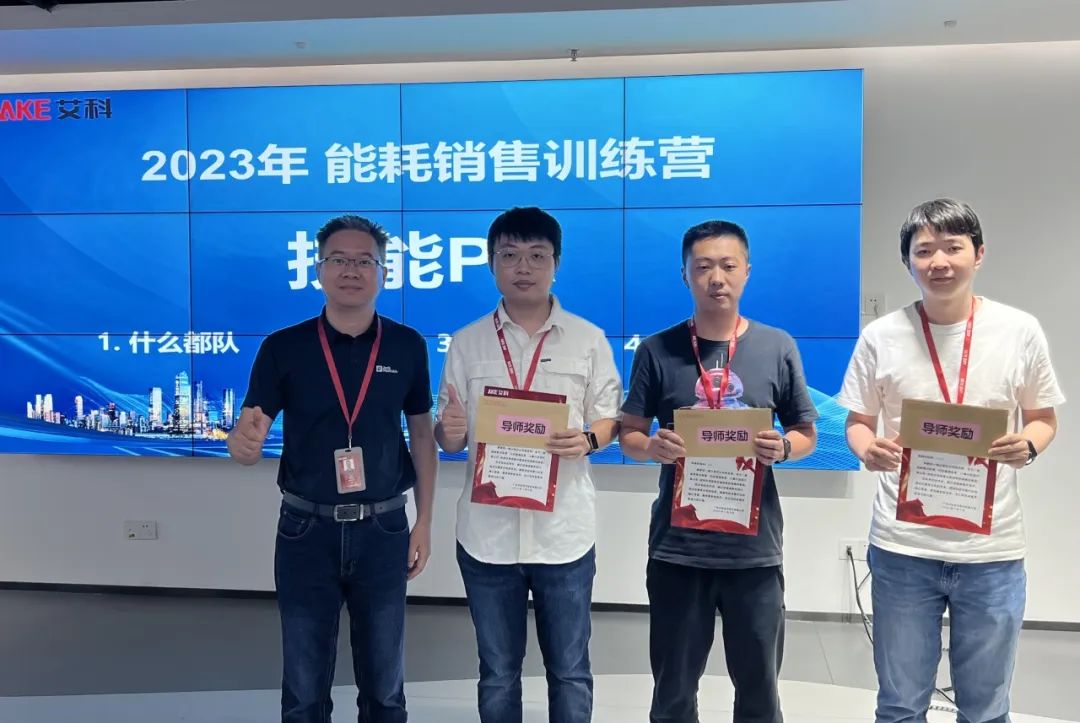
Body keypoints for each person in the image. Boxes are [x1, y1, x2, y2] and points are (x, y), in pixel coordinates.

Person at [837, 198, 1064, 722]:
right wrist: (867, 448)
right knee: (899, 704)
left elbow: (1043, 418)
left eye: (952, 247)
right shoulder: (881, 336)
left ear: (978, 254)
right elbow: (857, 421)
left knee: (986, 708)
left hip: (992, 552)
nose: (938, 261)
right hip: (902, 548)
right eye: (924, 251)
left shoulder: (1019, 330)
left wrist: (1028, 445)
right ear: (908, 262)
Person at [228, 214, 438, 723]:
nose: (351, 270)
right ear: (318, 269)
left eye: (365, 261)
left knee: (385, 690)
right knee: (304, 692)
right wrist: (243, 445)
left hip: (384, 526)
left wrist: (425, 522)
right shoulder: (284, 347)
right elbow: (248, 436)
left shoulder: (407, 345)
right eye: (338, 259)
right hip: (305, 529)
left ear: (383, 272)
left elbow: (422, 435)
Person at [619, 219, 818, 723]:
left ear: (747, 271)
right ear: (684, 274)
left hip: (754, 552)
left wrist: (784, 447)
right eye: (703, 266)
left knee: (759, 694)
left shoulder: (776, 346)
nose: (716, 278)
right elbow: (629, 435)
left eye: (728, 266)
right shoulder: (656, 350)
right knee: (673, 693)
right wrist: (652, 447)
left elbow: (805, 432)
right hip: (678, 549)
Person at [434, 206, 622, 723]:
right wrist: (449, 431)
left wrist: (588, 439)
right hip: (487, 534)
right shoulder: (467, 342)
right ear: (491, 264)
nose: (524, 267)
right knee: (497, 672)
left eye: (537, 255)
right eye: (510, 255)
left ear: (556, 264)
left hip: (563, 532)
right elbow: (450, 437)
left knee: (570, 670)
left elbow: (610, 418)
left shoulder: (588, 339)